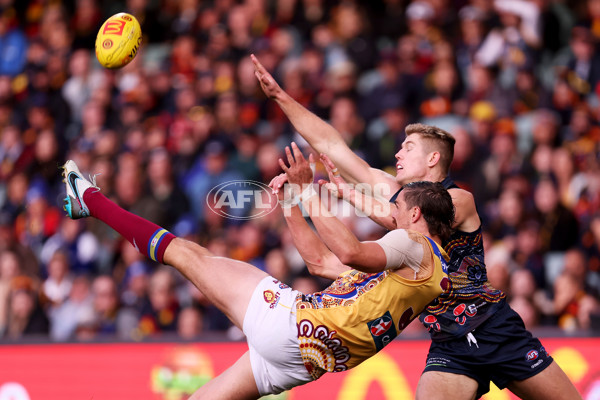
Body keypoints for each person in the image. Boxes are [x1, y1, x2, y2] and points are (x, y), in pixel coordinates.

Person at [252, 55, 582, 400]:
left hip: (496, 329)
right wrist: (281, 97)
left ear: (433, 159)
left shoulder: (459, 199)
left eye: (407, 148)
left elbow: (413, 222)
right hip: (449, 341)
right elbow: (333, 146)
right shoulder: (398, 195)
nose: (397, 154)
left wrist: (354, 196)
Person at [61, 154, 453, 399]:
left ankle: (89, 200)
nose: (389, 214)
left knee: (185, 253)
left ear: (416, 216)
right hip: (301, 362)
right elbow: (319, 262)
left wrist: (306, 189)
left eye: (397, 207)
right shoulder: (408, 271)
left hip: (292, 325)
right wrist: (293, 202)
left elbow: (348, 250)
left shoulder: (413, 243)